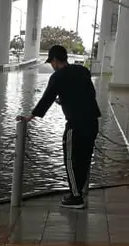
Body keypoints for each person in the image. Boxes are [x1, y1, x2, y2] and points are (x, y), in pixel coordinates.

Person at [20, 44, 100, 209]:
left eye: (51, 62)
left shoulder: (58, 76)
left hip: (76, 125)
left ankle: (76, 197)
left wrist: (30, 117)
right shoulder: (82, 70)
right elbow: (87, 93)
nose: (52, 66)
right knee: (84, 159)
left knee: (70, 160)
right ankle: (79, 192)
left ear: (55, 60)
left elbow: (46, 99)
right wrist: (63, 100)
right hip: (92, 121)